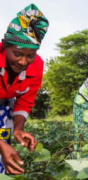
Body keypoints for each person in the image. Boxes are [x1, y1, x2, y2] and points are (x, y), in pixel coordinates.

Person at [0, 4, 49, 174]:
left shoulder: (36, 67)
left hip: (5, 101)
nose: (23, 62)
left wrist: (18, 129)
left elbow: (24, 101)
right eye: (17, 53)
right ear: (4, 45)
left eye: (30, 55)